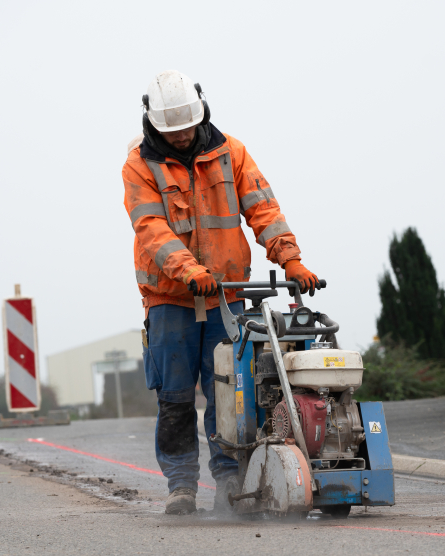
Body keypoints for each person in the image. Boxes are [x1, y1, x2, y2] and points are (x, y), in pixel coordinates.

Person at [122, 70, 319, 515]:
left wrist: (289, 257)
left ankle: (229, 480)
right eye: (172, 131)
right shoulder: (139, 164)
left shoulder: (232, 153)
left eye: (188, 126)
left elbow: (262, 206)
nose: (183, 135)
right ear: (154, 125)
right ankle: (180, 485)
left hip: (224, 297)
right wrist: (188, 269)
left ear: (201, 112)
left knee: (229, 392)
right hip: (171, 299)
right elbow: (150, 228)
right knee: (174, 397)